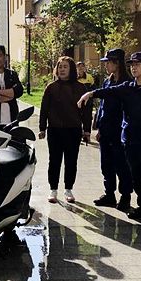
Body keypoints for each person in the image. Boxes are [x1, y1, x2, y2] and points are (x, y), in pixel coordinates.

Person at [78, 51, 141, 228]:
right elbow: (108, 91)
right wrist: (89, 94)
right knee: (136, 177)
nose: (134, 68)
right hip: (130, 140)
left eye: (138, 65)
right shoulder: (127, 87)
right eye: (132, 65)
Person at [38, 56, 92, 203]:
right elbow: (44, 109)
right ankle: (53, 189)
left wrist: (87, 130)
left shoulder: (80, 88)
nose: (62, 69)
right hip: (54, 130)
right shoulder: (51, 87)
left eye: (65, 67)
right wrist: (42, 128)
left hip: (73, 130)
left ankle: (68, 189)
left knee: (71, 161)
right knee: (54, 161)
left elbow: (86, 111)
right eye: (60, 66)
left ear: (71, 69)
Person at [91, 48, 133, 210]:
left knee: (122, 165)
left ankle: (125, 196)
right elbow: (102, 106)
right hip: (106, 130)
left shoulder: (126, 83)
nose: (106, 65)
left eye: (108, 62)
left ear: (117, 63)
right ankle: (109, 194)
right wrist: (99, 128)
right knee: (106, 164)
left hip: (119, 131)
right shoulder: (107, 81)